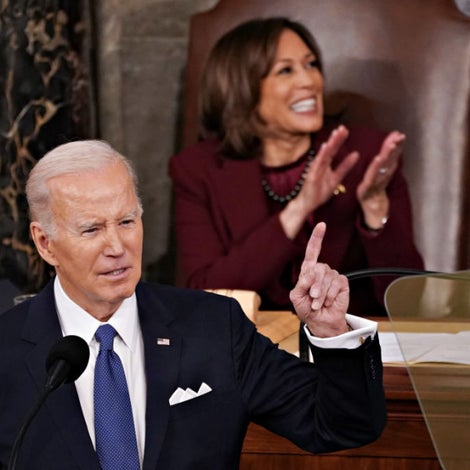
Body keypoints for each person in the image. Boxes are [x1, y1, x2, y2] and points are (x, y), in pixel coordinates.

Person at [0, 140, 385, 469]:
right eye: (91, 229)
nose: (117, 247)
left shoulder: (214, 326)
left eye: (127, 222)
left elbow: (340, 426)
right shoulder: (6, 351)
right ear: (45, 243)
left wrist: (331, 333)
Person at [169, 17, 424, 315]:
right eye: (286, 70)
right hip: (249, 338)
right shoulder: (198, 169)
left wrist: (375, 208)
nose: (309, 81)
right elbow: (205, 294)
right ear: (242, 87)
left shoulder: (366, 156)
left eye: (311, 64)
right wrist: (299, 208)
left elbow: (409, 303)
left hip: (345, 336)